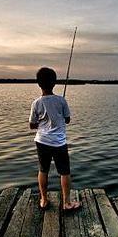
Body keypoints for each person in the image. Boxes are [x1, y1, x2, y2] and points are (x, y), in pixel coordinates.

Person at [29, 67, 81, 211]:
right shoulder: (61, 101)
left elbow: (32, 125)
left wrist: (42, 121)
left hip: (42, 141)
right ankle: (67, 203)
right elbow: (68, 120)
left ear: (38, 84)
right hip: (59, 142)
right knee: (64, 172)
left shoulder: (36, 103)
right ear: (54, 83)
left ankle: (44, 200)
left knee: (43, 170)